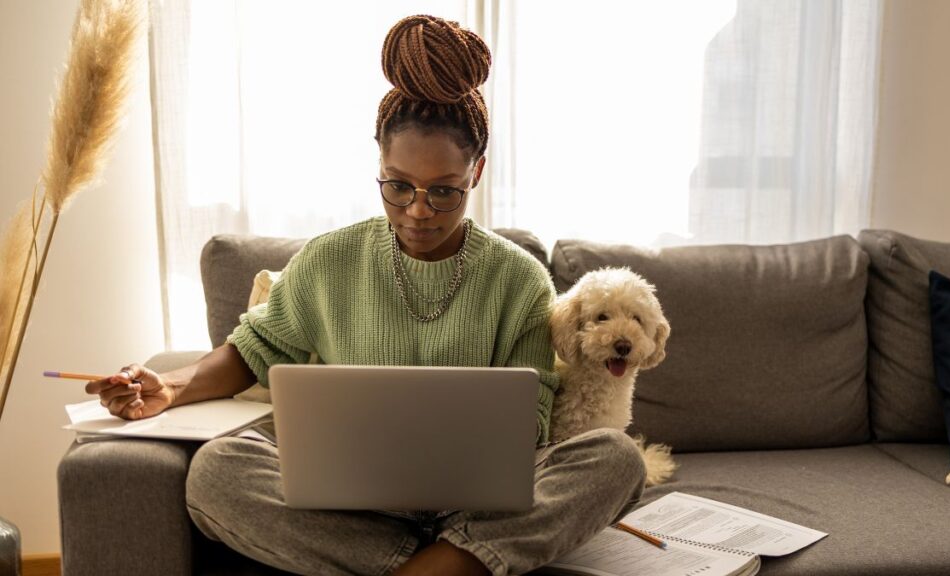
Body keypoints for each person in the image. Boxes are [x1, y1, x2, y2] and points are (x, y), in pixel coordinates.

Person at [85, 15, 645, 576]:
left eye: (444, 191)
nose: (418, 210)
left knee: (616, 460)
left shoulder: (520, 280)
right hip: (352, 509)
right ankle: (443, 567)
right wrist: (171, 387)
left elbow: (536, 418)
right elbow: (253, 349)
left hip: (478, 506)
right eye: (398, 185)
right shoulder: (329, 260)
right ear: (378, 163)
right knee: (215, 471)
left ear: (475, 172)